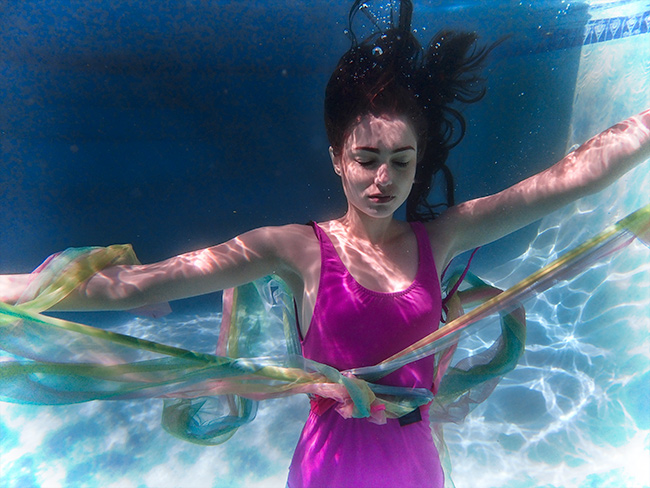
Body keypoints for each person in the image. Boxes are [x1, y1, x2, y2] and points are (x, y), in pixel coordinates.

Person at [1, 1, 649, 487]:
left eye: (401, 161)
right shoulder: (296, 249)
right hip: (327, 468)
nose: (383, 178)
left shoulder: (442, 237)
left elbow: (565, 182)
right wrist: (17, 291)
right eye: (366, 158)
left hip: (415, 466)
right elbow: (135, 284)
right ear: (338, 159)